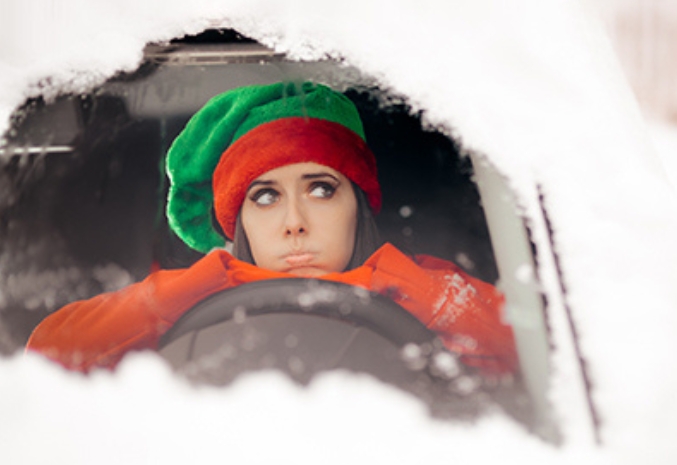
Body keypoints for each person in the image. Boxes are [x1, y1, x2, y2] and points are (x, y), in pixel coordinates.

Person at [25, 82, 517, 375]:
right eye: (265, 197)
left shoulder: (424, 285)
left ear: (358, 204)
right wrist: (206, 283)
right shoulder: (186, 297)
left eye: (322, 189)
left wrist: (388, 280)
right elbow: (47, 356)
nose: (294, 223)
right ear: (236, 223)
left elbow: (537, 362)